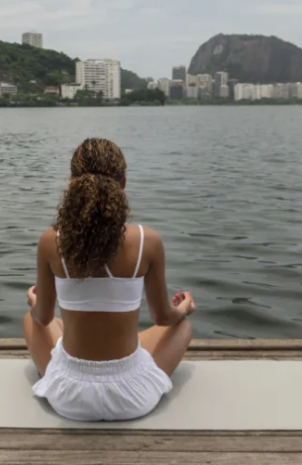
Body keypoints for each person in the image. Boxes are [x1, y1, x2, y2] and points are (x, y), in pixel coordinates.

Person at [23, 138, 195, 422]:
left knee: (32, 320)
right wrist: (184, 308)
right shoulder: (147, 241)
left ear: (72, 183)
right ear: (123, 182)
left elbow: (42, 318)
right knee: (182, 327)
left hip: (70, 399)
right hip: (133, 398)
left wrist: (34, 301)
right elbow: (163, 318)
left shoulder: (50, 242)